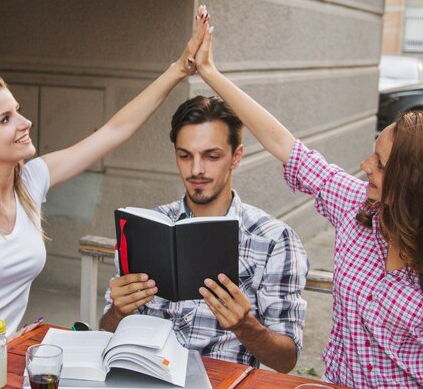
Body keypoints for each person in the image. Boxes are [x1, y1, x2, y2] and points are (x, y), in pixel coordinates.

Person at [0, 6, 210, 389]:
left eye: (16, 111)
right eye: (5, 120)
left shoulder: (31, 183)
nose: (25, 123)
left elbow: (113, 131)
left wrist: (179, 69)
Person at [191, 19, 423, 388]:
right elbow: (286, 146)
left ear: (418, 187)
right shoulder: (358, 208)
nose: (366, 167)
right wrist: (210, 72)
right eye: (373, 154)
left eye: (381, 165)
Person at [99, 94, 309, 373]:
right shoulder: (147, 227)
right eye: (185, 156)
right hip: (146, 377)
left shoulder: (274, 240)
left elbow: (287, 360)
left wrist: (244, 326)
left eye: (211, 156)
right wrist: (119, 311)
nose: (196, 170)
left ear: (236, 157)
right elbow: (106, 328)